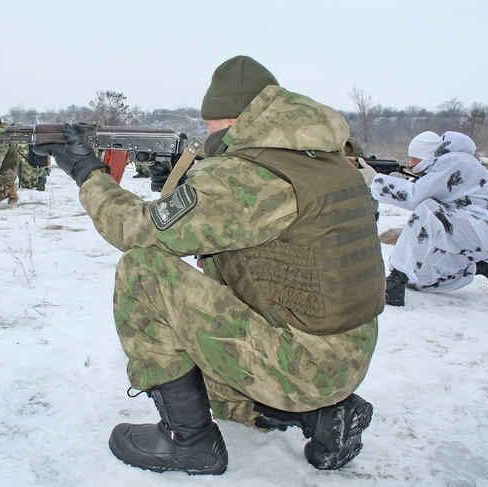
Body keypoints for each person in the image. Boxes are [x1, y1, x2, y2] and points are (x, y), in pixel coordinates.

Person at [33, 55, 384, 474]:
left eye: (210, 126)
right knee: (210, 376)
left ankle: (189, 442)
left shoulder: (249, 176)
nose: (207, 134)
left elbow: (134, 230)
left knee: (143, 271)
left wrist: (88, 173)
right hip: (345, 355)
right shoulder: (327, 161)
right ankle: (324, 417)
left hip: (302, 365)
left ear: (231, 120)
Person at [360, 130, 488, 306]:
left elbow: (414, 196)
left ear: (427, 154)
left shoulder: (454, 161)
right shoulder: (445, 162)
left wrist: (373, 179)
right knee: (418, 278)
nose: (412, 163)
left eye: (415, 159)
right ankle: (485, 267)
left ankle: (397, 277)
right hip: (470, 226)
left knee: (428, 210)